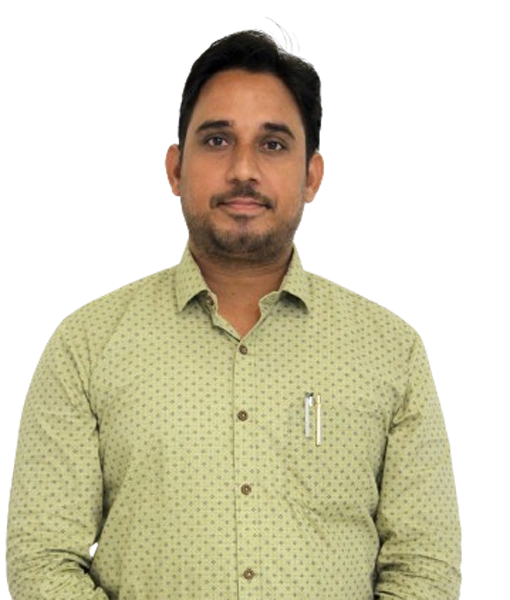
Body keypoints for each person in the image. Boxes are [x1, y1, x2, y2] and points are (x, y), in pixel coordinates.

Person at [6, 30, 462, 599]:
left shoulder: (388, 352)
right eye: (218, 140)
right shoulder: (88, 347)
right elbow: (41, 564)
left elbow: (426, 570)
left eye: (273, 144)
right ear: (175, 169)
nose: (243, 168)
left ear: (312, 176)